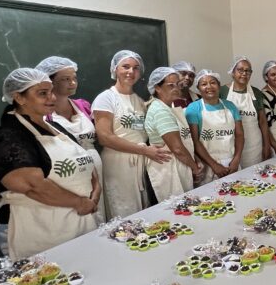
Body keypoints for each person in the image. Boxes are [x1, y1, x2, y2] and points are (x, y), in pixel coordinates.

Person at [0, 68, 99, 260]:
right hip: (46, 229)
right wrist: (79, 202)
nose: (52, 97)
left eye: (51, 91)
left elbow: (83, 158)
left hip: (83, 220)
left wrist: (95, 189)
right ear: (19, 98)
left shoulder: (55, 126)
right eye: (42, 93)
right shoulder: (10, 137)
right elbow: (33, 186)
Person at [93, 50, 169, 219]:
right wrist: (144, 150)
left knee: (142, 210)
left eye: (136, 68)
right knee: (124, 211)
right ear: (115, 69)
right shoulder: (106, 99)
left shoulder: (139, 101)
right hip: (118, 164)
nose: (131, 72)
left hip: (141, 161)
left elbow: (141, 133)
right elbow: (105, 138)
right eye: (125, 67)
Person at [35, 55, 105, 224]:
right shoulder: (43, 116)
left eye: (74, 78)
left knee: (100, 215)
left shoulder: (83, 106)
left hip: (96, 168)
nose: (73, 83)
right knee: (80, 220)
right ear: (50, 82)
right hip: (70, 172)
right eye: (66, 79)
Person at [145, 67, 204, 201]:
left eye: (178, 84)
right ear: (157, 88)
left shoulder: (169, 108)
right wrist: (195, 168)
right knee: (175, 207)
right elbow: (177, 148)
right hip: (168, 169)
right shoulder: (160, 111)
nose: (176, 88)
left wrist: (193, 160)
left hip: (179, 165)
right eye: (171, 85)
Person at [186, 70, 243, 184]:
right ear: (198, 88)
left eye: (213, 82)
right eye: (204, 84)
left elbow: (239, 135)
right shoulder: (193, 108)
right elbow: (195, 141)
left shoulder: (230, 106)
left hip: (232, 163)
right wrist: (214, 165)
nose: (209, 87)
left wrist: (236, 159)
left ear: (219, 85)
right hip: (208, 166)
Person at [219, 56, 272, 168]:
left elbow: (263, 122)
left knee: (254, 174)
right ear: (232, 72)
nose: (244, 73)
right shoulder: (222, 92)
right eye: (240, 70)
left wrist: (266, 145)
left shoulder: (256, 93)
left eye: (248, 71)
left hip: (254, 145)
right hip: (230, 144)